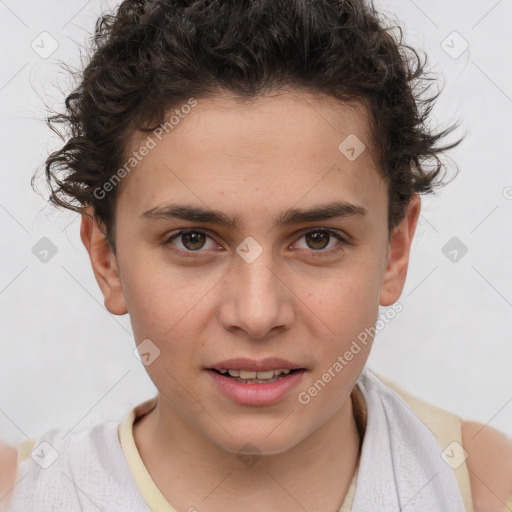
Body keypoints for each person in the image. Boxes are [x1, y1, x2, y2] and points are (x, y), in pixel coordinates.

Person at [1, 0, 512, 510]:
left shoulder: (488, 486)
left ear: (395, 252)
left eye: (318, 239)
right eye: (193, 240)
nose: (257, 313)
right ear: (106, 257)